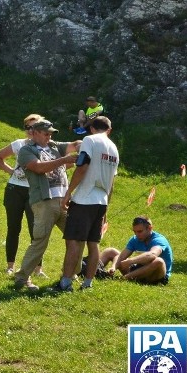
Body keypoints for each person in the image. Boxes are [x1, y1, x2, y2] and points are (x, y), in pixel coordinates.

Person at [12, 120, 79, 291]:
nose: (49, 136)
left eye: (51, 133)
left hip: (64, 201)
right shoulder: (26, 150)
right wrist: (64, 160)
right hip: (44, 202)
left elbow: (75, 144)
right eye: (45, 133)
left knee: (76, 238)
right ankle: (22, 277)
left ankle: (70, 274)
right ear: (34, 132)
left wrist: (91, 141)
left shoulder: (55, 146)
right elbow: (38, 168)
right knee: (40, 241)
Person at [58, 116, 119, 291]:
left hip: (85, 198)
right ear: (109, 130)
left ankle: (66, 282)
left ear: (91, 128)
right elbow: (112, 183)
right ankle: (88, 283)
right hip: (101, 200)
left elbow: (82, 166)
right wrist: (107, 205)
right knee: (93, 243)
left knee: (74, 242)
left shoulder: (89, 140)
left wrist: (69, 192)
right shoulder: (114, 148)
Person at [0, 114, 44, 275]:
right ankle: (10, 266)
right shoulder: (19, 144)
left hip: (34, 191)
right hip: (15, 189)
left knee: (36, 230)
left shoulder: (47, 146)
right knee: (13, 228)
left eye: (34, 127)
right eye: (28, 127)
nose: (30, 130)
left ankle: (37, 268)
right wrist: (11, 171)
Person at [113, 217, 174, 284]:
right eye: (134, 232)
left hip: (155, 276)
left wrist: (130, 261)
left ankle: (125, 278)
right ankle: (101, 272)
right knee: (111, 251)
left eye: (140, 231)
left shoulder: (159, 240)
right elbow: (122, 256)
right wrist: (113, 267)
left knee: (159, 261)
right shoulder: (135, 239)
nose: (137, 235)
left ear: (150, 228)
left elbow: (152, 254)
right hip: (139, 270)